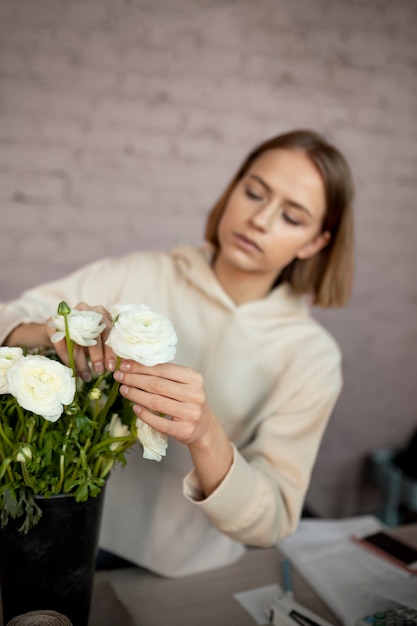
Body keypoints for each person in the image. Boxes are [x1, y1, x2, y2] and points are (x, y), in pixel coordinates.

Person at [0, 129, 354, 577]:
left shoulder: (311, 356)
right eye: (254, 193)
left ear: (315, 243)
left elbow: (273, 521)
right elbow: (10, 315)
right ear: (232, 191)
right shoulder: (140, 272)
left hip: (182, 574)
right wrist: (52, 333)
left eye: (292, 216)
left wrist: (206, 434)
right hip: (62, 540)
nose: (260, 220)